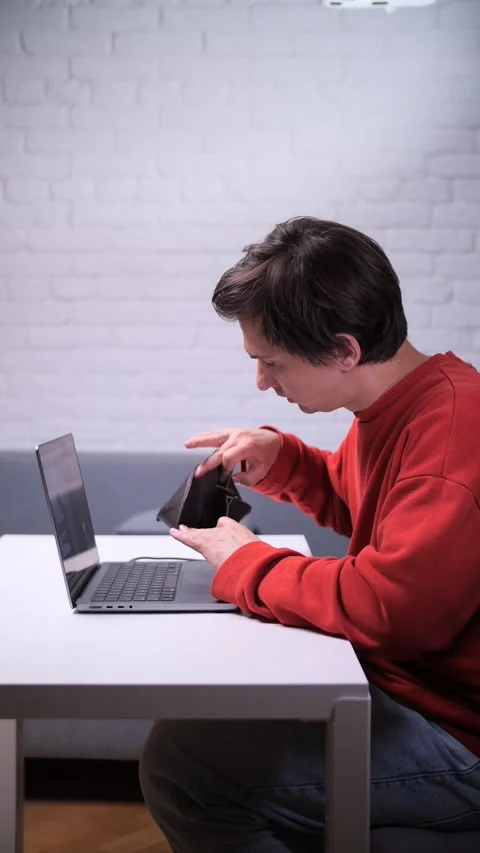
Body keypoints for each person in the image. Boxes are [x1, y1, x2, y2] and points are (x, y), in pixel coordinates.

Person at [140, 218, 480, 851]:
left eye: (274, 363)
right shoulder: (399, 402)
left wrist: (247, 564)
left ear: (344, 350)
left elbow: (393, 606)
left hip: (457, 733)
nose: (264, 383)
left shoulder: (454, 430)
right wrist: (285, 460)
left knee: (184, 766)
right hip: (407, 689)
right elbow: (374, 509)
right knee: (205, 720)